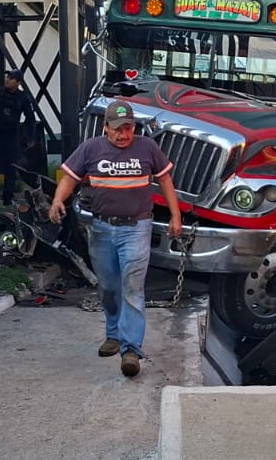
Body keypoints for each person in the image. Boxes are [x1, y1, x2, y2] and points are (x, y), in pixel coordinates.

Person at [48, 101, 182, 378]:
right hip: (101, 229)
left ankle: (130, 349)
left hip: (137, 227)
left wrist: (175, 215)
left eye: (129, 128)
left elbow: (166, 180)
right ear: (106, 127)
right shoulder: (91, 148)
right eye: (118, 129)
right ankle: (113, 333)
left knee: (133, 288)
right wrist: (57, 200)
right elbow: (69, 178)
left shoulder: (147, 148)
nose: (124, 134)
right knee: (109, 287)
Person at [0, 69, 38, 205]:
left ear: (18, 82)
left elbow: (30, 118)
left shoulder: (22, 97)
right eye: (7, 77)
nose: (8, 80)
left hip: (11, 135)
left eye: (11, 78)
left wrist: (31, 137)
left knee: (11, 166)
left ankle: (8, 195)